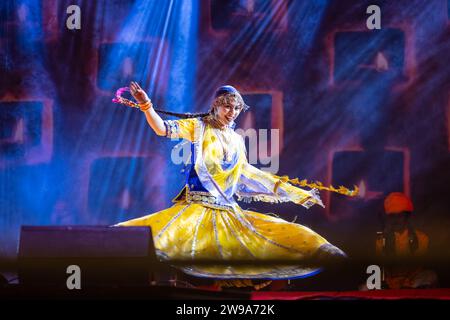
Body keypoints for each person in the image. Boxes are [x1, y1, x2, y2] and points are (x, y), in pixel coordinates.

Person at [115, 82, 347, 290]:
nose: (232, 113)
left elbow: (248, 173)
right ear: (216, 105)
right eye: (227, 107)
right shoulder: (198, 127)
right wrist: (146, 105)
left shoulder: (237, 140)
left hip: (228, 211)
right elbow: (162, 128)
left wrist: (296, 194)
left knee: (275, 237)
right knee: (159, 242)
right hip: (197, 211)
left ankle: (321, 253)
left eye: (236, 108)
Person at [375, 192, 438, 289]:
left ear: (407, 216)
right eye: (392, 216)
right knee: (366, 285)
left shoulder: (421, 238)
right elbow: (383, 267)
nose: (396, 220)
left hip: (413, 282)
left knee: (431, 276)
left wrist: (406, 281)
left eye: (400, 215)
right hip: (390, 283)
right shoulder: (381, 240)